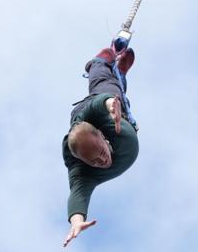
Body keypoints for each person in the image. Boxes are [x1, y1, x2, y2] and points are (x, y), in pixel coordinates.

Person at [62, 45, 139, 247]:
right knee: (121, 99)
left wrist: (109, 105)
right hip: (120, 118)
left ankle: (98, 63)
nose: (102, 161)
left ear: (103, 138)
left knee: (106, 87)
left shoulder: (92, 117)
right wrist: (76, 221)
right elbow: (78, 195)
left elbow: (98, 103)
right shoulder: (82, 171)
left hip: (101, 107)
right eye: (94, 161)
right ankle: (119, 73)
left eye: (101, 152)